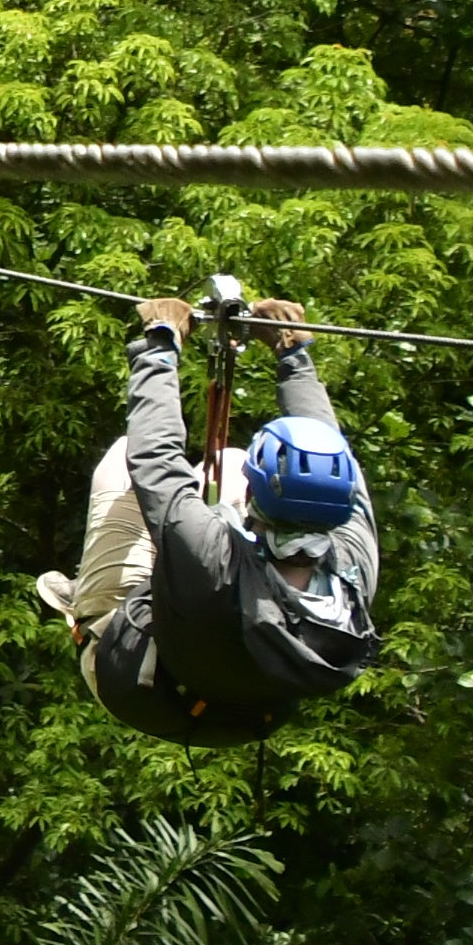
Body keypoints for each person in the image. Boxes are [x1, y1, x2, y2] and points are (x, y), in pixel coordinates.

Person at [35, 293, 380, 744]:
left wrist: (160, 345)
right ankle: (178, 587)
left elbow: (152, 458)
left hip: (139, 687)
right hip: (250, 715)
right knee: (228, 460)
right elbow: (327, 447)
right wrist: (292, 352)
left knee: (120, 462)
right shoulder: (353, 562)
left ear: (256, 492)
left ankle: (93, 608)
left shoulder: (211, 552)